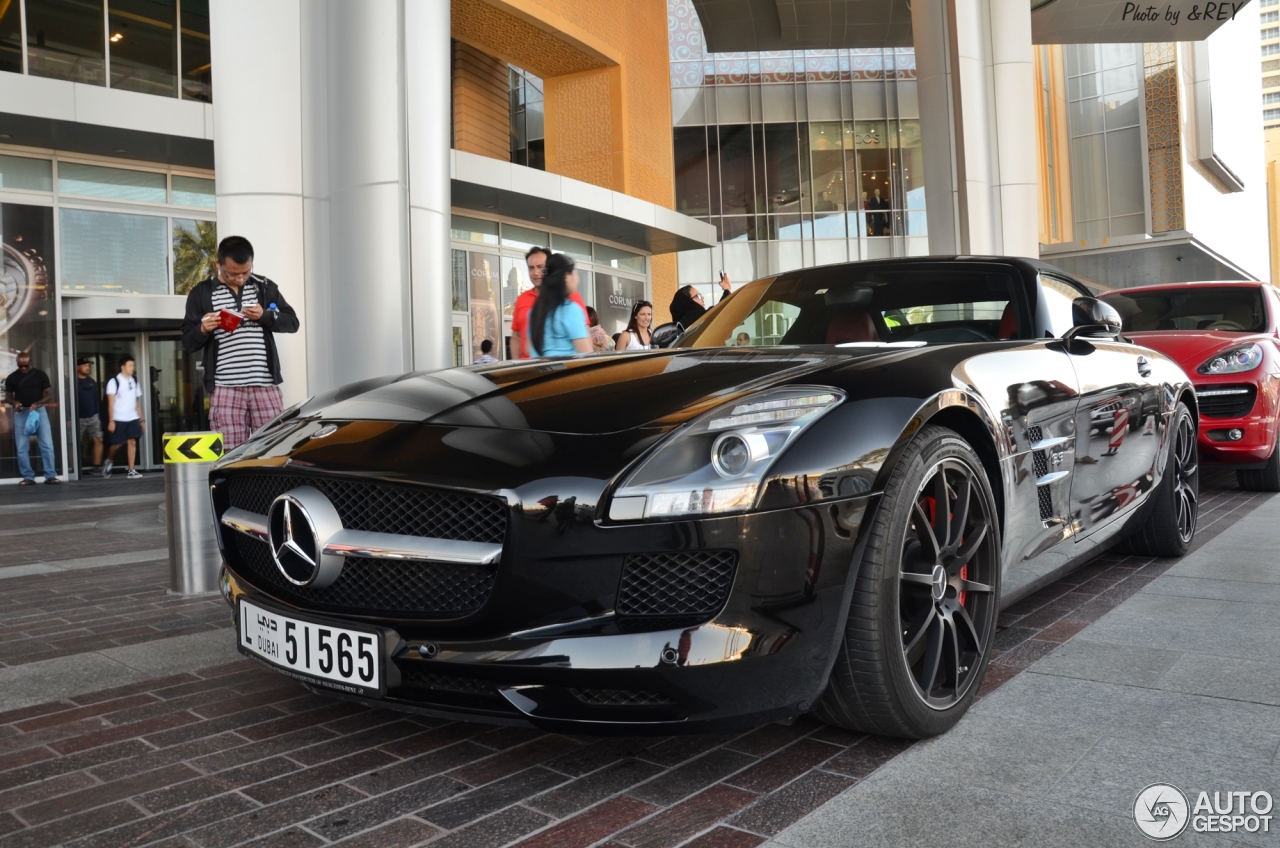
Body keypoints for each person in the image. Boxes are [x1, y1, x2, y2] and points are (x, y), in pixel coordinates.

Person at [182, 235, 299, 450]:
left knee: (272, 448)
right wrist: (202, 329)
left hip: (265, 385)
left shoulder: (264, 287)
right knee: (230, 452)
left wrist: (265, 315)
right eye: (233, 274)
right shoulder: (201, 293)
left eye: (246, 272)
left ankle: (268, 486)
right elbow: (188, 342)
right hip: (225, 387)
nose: (240, 279)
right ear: (218, 264)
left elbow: (292, 322)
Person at [511, 246, 587, 359]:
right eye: (531, 268)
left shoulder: (573, 297)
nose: (536, 272)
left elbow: (585, 331)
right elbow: (516, 337)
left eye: (540, 267)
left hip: (549, 369)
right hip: (532, 369)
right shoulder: (522, 299)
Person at [4, 352, 57, 485]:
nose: (23, 368)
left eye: (25, 366)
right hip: (21, 412)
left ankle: (50, 475)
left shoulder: (40, 375)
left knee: (46, 444)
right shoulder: (12, 377)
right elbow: (8, 396)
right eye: (20, 366)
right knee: (22, 446)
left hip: (38, 411)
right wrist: (14, 402)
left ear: (31, 363)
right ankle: (28, 476)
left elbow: (49, 393)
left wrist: (38, 403)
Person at [528, 253, 592, 357]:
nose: (577, 278)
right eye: (575, 273)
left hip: (543, 372)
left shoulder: (534, 312)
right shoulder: (571, 310)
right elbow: (586, 355)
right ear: (566, 276)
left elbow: (530, 350)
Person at [103, 355, 144, 479]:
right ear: (123, 367)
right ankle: (109, 460)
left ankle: (131, 470)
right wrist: (111, 420)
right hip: (118, 418)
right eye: (130, 365)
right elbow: (110, 402)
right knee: (118, 443)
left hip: (132, 417)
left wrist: (141, 419)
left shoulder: (134, 380)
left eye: (134, 365)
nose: (133, 368)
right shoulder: (114, 381)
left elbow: (137, 401)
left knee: (132, 441)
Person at [75, 357, 103, 471]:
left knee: (99, 440)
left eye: (89, 365)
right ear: (77, 367)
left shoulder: (91, 381)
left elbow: (96, 400)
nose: (88, 367)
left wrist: (98, 414)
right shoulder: (71, 382)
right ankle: (75, 468)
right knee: (74, 443)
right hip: (77, 418)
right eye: (85, 365)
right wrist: (68, 418)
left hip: (93, 416)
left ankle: (96, 467)